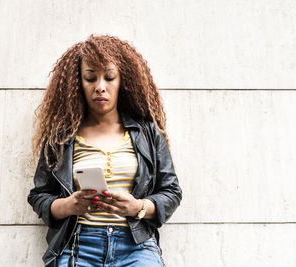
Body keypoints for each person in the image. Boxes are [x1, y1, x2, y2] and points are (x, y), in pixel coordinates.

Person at [28, 34, 182, 267]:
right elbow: (39, 196)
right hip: (78, 243)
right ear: (78, 82)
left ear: (123, 81)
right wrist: (69, 205)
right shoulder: (61, 138)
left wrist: (138, 207)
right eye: (91, 78)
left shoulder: (147, 133)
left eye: (109, 77)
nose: (100, 87)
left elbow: (171, 192)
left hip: (136, 245)